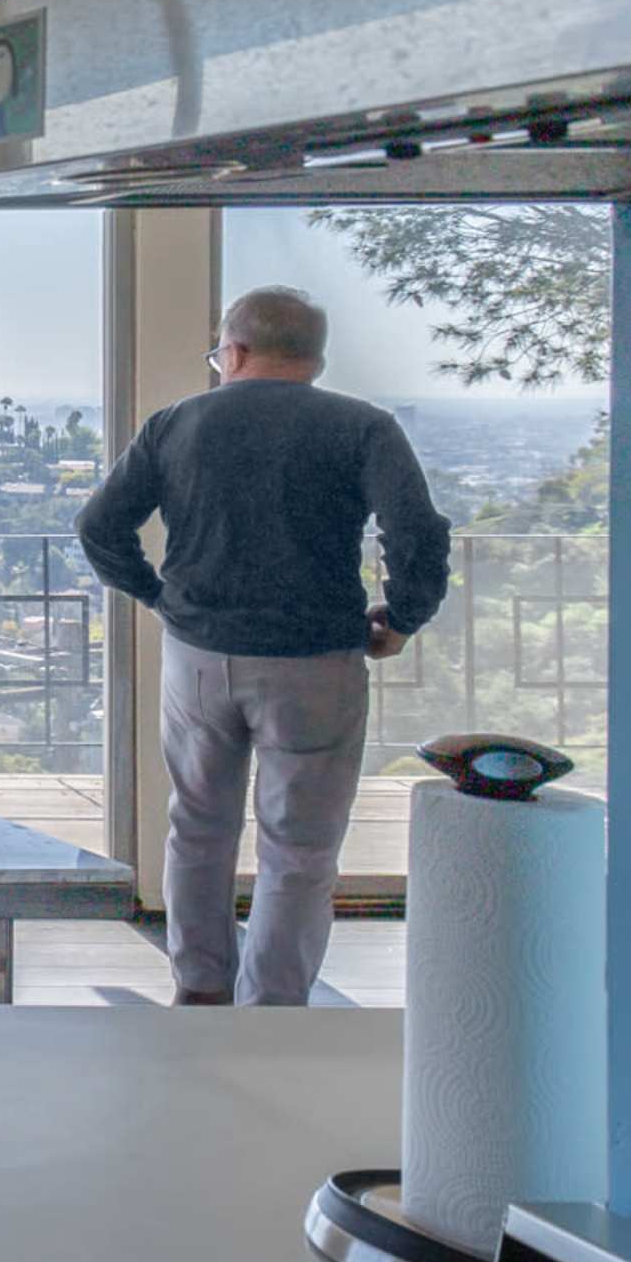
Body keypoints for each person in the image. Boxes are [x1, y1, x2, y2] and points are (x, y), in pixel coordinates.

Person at [77, 286, 450, 1005]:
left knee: (198, 827)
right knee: (300, 850)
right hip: (316, 661)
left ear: (236, 350)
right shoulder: (363, 427)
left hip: (197, 658)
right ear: (314, 358)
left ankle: (201, 987)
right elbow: (416, 533)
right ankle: (273, 1010)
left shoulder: (176, 423)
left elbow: (98, 526)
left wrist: (159, 598)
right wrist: (402, 618)